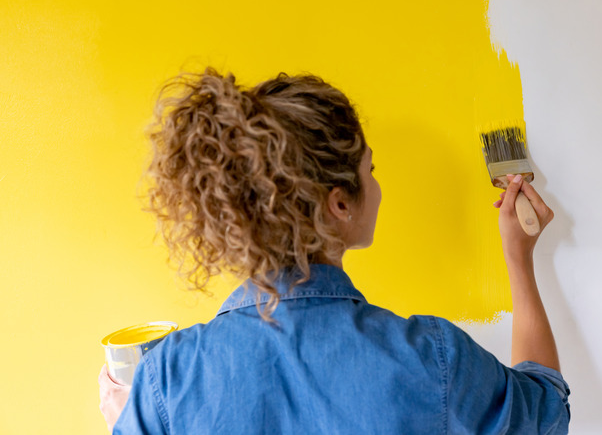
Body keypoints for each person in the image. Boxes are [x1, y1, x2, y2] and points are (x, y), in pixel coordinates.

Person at [98, 67, 570, 434]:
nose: (377, 185)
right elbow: (546, 411)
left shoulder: (169, 377)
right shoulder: (432, 359)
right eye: (371, 169)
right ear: (340, 203)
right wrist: (519, 260)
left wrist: (133, 417)